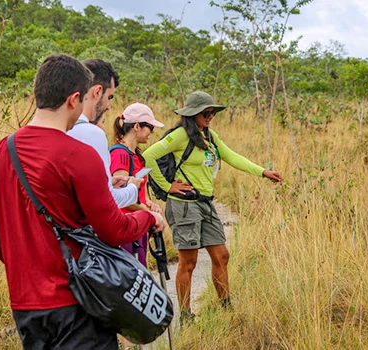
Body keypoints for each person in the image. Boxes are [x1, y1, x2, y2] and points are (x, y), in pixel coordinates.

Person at [0, 54, 167, 349]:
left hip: (26, 306)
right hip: (76, 302)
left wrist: (25, 268)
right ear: (74, 99)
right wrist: (149, 218)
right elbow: (114, 229)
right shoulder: (78, 155)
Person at [143, 91, 283, 322]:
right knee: (189, 261)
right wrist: (168, 187)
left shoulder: (209, 135)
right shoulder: (179, 135)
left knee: (221, 255)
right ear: (192, 114)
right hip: (185, 206)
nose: (210, 117)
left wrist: (262, 171)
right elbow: (147, 156)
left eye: (213, 113)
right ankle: (186, 316)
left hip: (206, 203)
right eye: (206, 113)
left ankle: (226, 308)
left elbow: (231, 156)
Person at [67, 58, 141, 208]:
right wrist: (133, 187)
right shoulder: (93, 134)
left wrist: (107, 182)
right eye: (109, 97)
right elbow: (107, 201)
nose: (108, 106)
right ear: (97, 91)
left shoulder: (62, 125)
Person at [110, 103, 164, 266]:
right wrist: (150, 215)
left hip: (136, 225)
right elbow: (121, 196)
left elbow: (137, 194)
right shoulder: (120, 154)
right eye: (149, 127)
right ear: (137, 126)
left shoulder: (134, 154)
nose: (152, 132)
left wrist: (149, 204)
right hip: (126, 226)